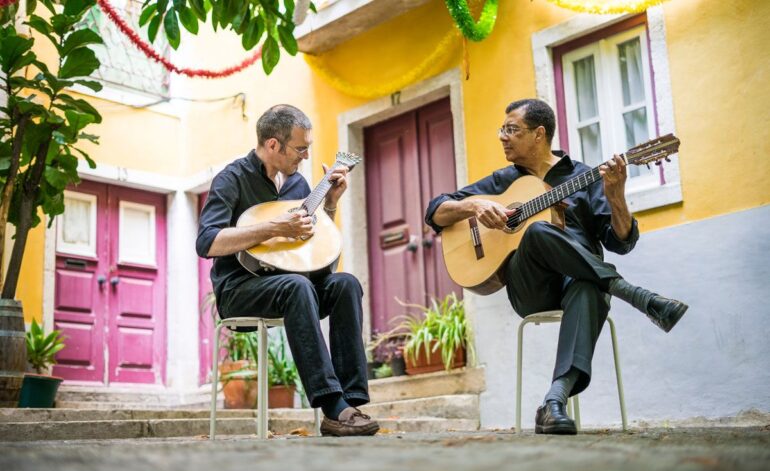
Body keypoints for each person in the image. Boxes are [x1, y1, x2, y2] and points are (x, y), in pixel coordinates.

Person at [424, 99, 688, 435]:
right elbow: (435, 212)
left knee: (588, 286)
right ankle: (635, 295)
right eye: (501, 130)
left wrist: (616, 195)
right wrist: (473, 205)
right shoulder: (504, 181)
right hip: (530, 288)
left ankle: (553, 401)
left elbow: (620, 242)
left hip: (581, 283)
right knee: (536, 231)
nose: (502, 137)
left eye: (511, 130)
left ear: (539, 134)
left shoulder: (584, 176)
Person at [196, 104, 379, 437]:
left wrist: (331, 205)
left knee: (345, 284)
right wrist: (272, 227)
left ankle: (350, 402)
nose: (306, 156)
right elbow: (207, 241)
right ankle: (332, 404)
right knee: (296, 286)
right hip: (241, 289)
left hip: (298, 286)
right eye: (300, 148)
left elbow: (314, 252)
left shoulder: (298, 185)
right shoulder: (231, 179)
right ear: (272, 145)